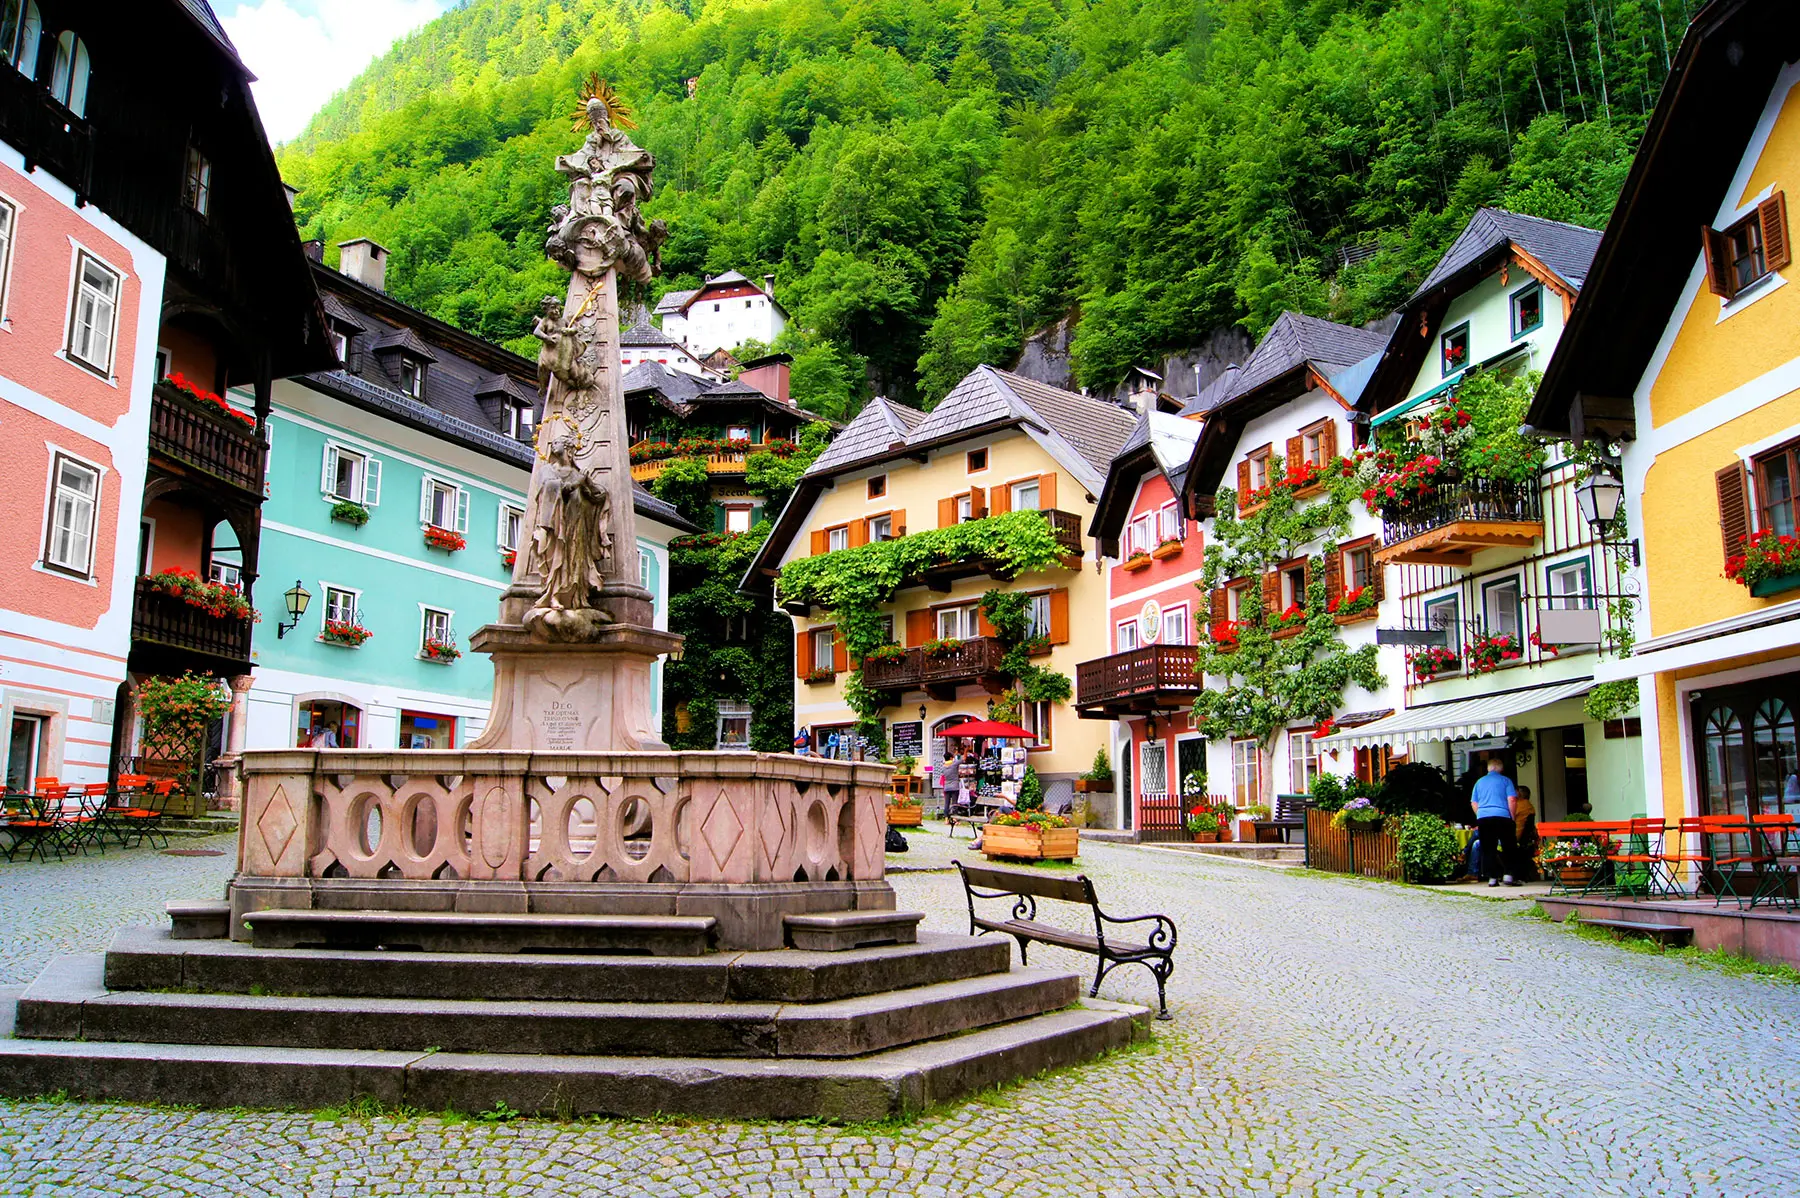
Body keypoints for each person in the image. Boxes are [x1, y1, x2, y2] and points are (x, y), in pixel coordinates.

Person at [1471, 757, 1520, 887]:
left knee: (1488, 848)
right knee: (1508, 846)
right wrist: (1512, 817)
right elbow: (1512, 800)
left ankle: (1492, 878)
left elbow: (1474, 802)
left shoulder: (1479, 782)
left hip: (1484, 818)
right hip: (1503, 816)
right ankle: (1509, 875)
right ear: (1500, 768)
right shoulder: (1506, 781)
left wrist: (1480, 814)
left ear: (1488, 768)